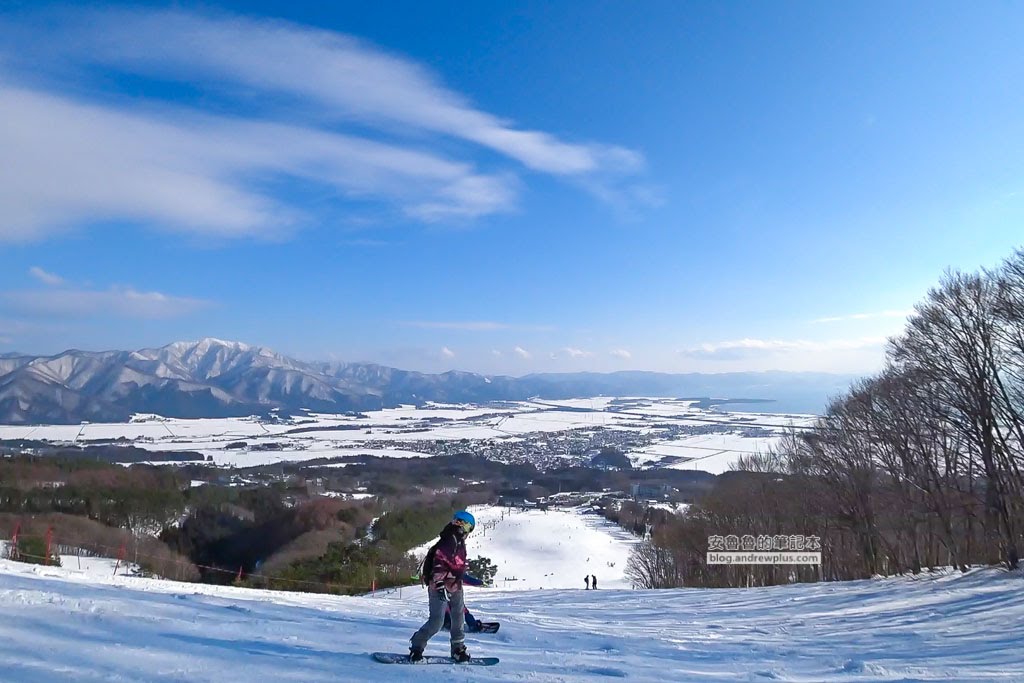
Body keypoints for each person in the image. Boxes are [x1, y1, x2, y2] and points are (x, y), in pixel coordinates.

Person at [410, 510, 485, 663]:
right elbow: (439, 563)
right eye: (469, 528)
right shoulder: (450, 539)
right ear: (465, 526)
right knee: (437, 622)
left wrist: (467, 579)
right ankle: (417, 646)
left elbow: (456, 566)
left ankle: (458, 648)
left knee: (458, 618)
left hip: (455, 586)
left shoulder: (458, 540)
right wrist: (439, 584)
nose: (468, 532)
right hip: (440, 587)